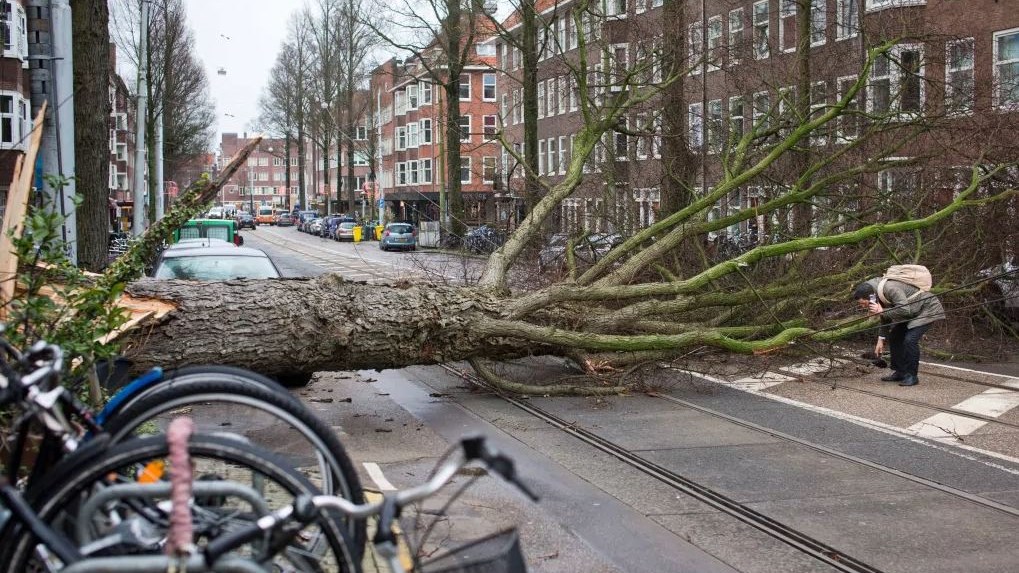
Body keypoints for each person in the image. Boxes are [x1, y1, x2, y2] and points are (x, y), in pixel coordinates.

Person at [852, 279, 945, 386]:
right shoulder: (877, 294)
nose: (863, 306)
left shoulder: (891, 288)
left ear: (870, 296)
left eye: (863, 303)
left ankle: (912, 376)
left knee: (910, 340)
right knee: (895, 336)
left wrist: (882, 311)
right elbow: (885, 317)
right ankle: (900, 372)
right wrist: (880, 339)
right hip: (913, 312)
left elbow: (904, 310)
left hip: (928, 309)